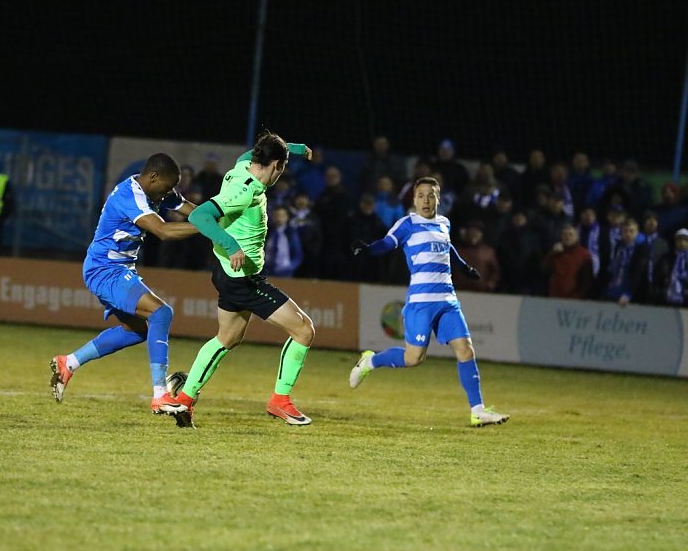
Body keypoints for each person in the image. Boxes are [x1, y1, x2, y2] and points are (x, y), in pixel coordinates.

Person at [158, 131, 315, 427]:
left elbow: (251, 153)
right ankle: (280, 401)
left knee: (227, 338)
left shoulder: (244, 164)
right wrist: (232, 245)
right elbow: (200, 216)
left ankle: (185, 400)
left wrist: (293, 148)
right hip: (245, 279)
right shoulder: (245, 189)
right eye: (281, 166)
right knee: (304, 330)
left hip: (226, 274)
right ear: (276, 166)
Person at [348, 177, 510, 427]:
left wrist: (465, 267)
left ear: (438, 199)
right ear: (414, 199)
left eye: (431, 195)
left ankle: (477, 411)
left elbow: (448, 249)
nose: (426, 200)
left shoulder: (444, 223)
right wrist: (369, 249)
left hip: (448, 300)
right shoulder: (407, 224)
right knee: (413, 359)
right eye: (421, 195)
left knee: (466, 350)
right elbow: (387, 244)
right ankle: (370, 360)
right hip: (421, 302)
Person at [49, 153, 199, 414]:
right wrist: (210, 230)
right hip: (105, 270)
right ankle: (160, 395)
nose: (167, 195)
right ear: (153, 178)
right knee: (161, 313)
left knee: (137, 331)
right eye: (166, 188)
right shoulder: (129, 195)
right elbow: (163, 231)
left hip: (116, 269)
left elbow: (188, 208)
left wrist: (221, 216)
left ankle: (69, 363)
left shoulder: (154, 190)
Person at [542, 224, 594, 299]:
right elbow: (544, 270)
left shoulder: (584, 255)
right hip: (554, 297)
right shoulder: (555, 252)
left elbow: (587, 281)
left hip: (574, 299)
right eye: (565, 234)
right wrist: (552, 254)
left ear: (577, 237)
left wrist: (578, 297)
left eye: (571, 234)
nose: (567, 237)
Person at [264, 206, 302, 277]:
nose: (279, 218)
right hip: (267, 271)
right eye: (277, 215)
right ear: (272, 217)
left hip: (285, 272)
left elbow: (297, 255)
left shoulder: (291, 233)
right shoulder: (267, 232)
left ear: (287, 217)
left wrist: (289, 267)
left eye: (282, 215)